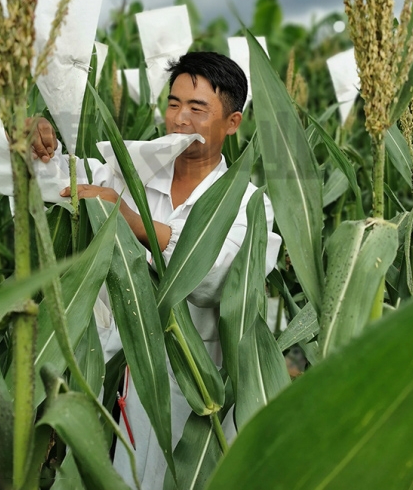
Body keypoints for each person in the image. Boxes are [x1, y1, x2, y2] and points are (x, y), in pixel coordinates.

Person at [32, 51, 281, 489]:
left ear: (233, 122)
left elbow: (218, 275)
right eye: (173, 103)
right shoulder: (130, 175)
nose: (180, 119)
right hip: (121, 381)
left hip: (200, 398)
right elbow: (63, 181)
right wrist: (38, 143)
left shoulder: (248, 203)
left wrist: (131, 223)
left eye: (198, 108)